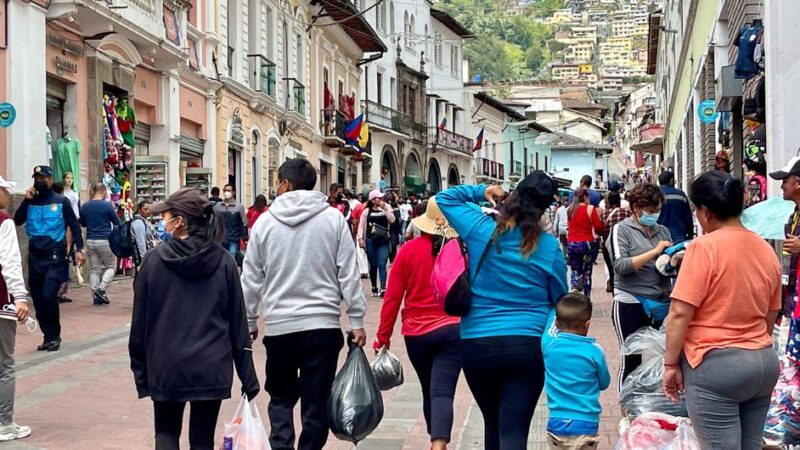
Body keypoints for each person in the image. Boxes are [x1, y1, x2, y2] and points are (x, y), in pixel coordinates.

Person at [437, 171, 569, 450]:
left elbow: (443, 198)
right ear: (545, 208)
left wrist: (482, 190)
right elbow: (560, 299)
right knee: (514, 429)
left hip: (477, 343)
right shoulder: (548, 247)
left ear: (513, 197)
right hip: (527, 345)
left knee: (492, 424)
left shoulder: (480, 229)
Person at [242, 159, 367, 450]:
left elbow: (251, 278)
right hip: (322, 327)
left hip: (280, 327)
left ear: (284, 184)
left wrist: (249, 321)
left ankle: (281, 446)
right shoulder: (333, 219)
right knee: (317, 401)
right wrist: (357, 320)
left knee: (281, 397)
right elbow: (347, 273)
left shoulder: (265, 222)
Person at [129, 187, 259, 450]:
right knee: (202, 440)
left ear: (179, 221)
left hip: (166, 367)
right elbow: (238, 323)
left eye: (165, 216)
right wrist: (247, 376)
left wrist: (142, 375)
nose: (161, 221)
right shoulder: (224, 262)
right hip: (211, 367)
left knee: (166, 434)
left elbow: (140, 326)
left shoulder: (153, 263)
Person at [663, 171, 780, 450]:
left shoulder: (704, 247)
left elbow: (680, 313)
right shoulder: (765, 249)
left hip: (715, 366)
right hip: (762, 363)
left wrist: (669, 364)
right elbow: (771, 313)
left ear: (705, 211)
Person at [373, 197, 461, 450]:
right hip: (453, 329)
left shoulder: (407, 251)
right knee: (442, 391)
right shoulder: (460, 250)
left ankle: (436, 438)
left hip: (416, 334)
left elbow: (392, 298)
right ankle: (439, 442)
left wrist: (383, 337)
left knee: (428, 388)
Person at [606, 183, 671, 389]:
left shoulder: (663, 231)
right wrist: (654, 252)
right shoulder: (621, 230)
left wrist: (674, 259)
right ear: (636, 208)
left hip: (659, 302)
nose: (655, 215)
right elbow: (620, 265)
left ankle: (651, 406)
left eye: (658, 210)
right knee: (631, 358)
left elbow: (667, 267)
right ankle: (626, 411)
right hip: (630, 300)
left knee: (661, 358)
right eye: (651, 211)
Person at [14, 165, 84, 352]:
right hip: (35, 255)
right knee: (37, 298)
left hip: (54, 254)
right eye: (36, 177)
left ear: (51, 179)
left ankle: (55, 335)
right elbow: (17, 220)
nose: (39, 180)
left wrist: (79, 249)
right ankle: (48, 336)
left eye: (43, 177)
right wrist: (25, 201)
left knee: (48, 295)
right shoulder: (31, 202)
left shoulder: (61, 201)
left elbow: (74, 225)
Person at [543, 293, 610, 450]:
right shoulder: (595, 352)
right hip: (586, 423)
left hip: (556, 422)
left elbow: (550, 321)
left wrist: (555, 309)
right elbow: (604, 383)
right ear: (587, 325)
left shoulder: (549, 344)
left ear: (557, 323)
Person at [0, 174, 32, 441]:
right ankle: (4, 422)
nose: (8, 195)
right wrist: (19, 297)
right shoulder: (4, 222)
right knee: (5, 364)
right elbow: (9, 261)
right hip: (0, 302)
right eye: (3, 190)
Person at [80, 183, 121, 306]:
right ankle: (101, 288)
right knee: (111, 266)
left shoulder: (85, 206)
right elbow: (117, 222)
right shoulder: (107, 206)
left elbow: (83, 224)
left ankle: (95, 295)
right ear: (103, 191)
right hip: (105, 239)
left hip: (90, 240)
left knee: (95, 269)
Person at [772, 156, 800, 325]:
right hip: (793, 296)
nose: (782, 186)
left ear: (798, 183)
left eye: (785, 181)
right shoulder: (794, 215)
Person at [358, 189, 396, 297]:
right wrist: (360, 239)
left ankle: (383, 287)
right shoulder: (367, 211)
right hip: (370, 240)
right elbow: (361, 226)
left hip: (383, 240)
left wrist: (385, 208)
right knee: (373, 265)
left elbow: (392, 220)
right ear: (373, 200)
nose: (381, 200)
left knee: (382, 264)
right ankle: (374, 286)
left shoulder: (386, 208)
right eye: (378, 198)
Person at [566, 188, 604, 297]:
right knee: (587, 271)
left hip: (572, 243)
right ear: (586, 197)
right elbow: (598, 227)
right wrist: (600, 232)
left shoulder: (569, 209)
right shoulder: (590, 209)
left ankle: (574, 288)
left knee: (574, 270)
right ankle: (586, 297)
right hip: (586, 244)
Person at [601, 192, 632, 293]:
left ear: (609, 202)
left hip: (608, 247)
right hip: (625, 245)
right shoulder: (627, 213)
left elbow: (600, 230)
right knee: (625, 270)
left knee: (611, 271)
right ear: (619, 201)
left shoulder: (604, 214)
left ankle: (615, 295)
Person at [51, 181, 74, 304]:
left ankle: (54, 292)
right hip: (61, 242)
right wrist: (69, 245)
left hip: (48, 243)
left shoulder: (46, 202)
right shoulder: (64, 201)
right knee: (63, 267)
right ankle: (60, 293)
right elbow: (69, 226)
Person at [657, 171, 694, 243]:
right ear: (671, 181)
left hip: (658, 236)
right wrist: (690, 235)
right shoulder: (681, 195)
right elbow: (688, 216)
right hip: (679, 236)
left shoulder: (654, 195)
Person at [213, 184, 247, 258]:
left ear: (233, 192)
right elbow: (214, 222)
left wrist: (244, 238)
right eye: (225, 190)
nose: (226, 192)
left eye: (228, 190)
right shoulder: (217, 207)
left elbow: (243, 224)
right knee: (220, 260)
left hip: (233, 239)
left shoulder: (239, 207)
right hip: (220, 239)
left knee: (232, 260)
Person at [131, 201, 158, 268]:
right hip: (143, 257)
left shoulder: (145, 221)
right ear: (139, 210)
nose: (148, 211)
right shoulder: (138, 222)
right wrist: (144, 259)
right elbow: (141, 242)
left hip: (149, 255)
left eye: (150, 209)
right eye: (145, 209)